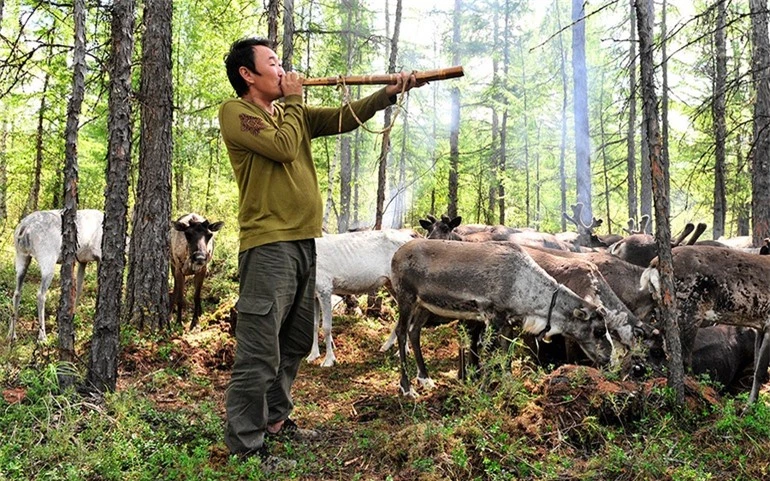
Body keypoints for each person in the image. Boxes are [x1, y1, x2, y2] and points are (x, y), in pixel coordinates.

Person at [218, 36, 423, 467]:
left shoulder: (287, 113)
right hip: (268, 246)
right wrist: (294, 101)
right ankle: (246, 446)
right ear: (247, 74)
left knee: (294, 341)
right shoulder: (237, 113)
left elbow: (342, 118)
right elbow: (283, 147)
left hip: (303, 243)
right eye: (273, 62)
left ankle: (275, 421)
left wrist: (387, 95)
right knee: (259, 349)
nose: (282, 68)